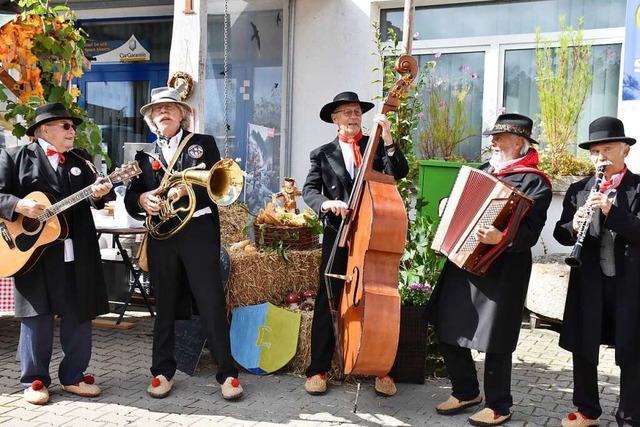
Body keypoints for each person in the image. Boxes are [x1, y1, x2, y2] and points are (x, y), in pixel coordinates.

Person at [427, 113, 552, 426]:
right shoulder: (483, 171)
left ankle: (499, 405)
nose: (492, 142)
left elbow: (531, 232)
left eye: (499, 137)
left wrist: (502, 238)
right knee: (446, 322)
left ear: (519, 143)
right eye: (493, 136)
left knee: (496, 337)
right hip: (464, 261)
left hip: (504, 270)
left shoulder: (535, 182)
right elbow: (460, 204)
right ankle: (466, 391)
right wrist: (447, 207)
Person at [124, 87, 242, 400]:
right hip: (164, 236)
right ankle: (162, 371)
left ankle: (228, 374)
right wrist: (142, 199)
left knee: (210, 302)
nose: (164, 113)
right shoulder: (143, 156)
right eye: (158, 110)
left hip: (198, 232)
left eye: (170, 108)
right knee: (164, 305)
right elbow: (130, 198)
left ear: (182, 114)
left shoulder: (202, 144)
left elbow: (218, 186)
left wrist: (180, 193)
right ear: (152, 118)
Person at [0, 103, 112, 405]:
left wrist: (101, 195)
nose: (72, 131)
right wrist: (19, 206)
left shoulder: (81, 159)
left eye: (73, 127)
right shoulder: (15, 156)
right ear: (43, 130)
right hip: (31, 252)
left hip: (78, 249)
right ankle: (34, 380)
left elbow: (101, 195)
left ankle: (74, 376)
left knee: (79, 311)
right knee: (37, 315)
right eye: (66, 126)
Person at [302, 91, 409, 396]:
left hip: (374, 233)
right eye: (346, 112)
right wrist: (326, 204)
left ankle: (383, 368)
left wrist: (388, 138)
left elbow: (398, 172)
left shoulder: (374, 146)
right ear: (334, 119)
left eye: (356, 111)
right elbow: (310, 190)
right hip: (339, 233)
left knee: (379, 301)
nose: (352, 116)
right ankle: (318, 369)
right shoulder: (321, 154)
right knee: (328, 299)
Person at [554, 116, 640, 427]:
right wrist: (573, 224)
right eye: (595, 152)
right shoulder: (579, 189)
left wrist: (610, 211)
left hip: (629, 285)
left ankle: (630, 416)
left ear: (625, 151)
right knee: (584, 346)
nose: (600, 158)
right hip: (589, 282)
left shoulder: (638, 187)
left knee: (631, 351)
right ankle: (587, 411)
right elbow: (560, 233)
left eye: (607, 150)